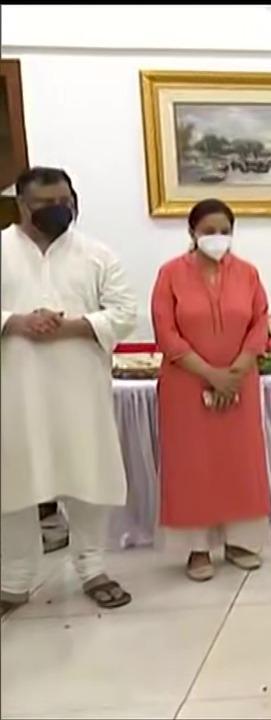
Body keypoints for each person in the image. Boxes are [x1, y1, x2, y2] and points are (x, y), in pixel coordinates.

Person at [0, 167, 137, 614]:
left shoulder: (96, 254)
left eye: (66, 199)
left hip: (81, 391)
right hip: (14, 393)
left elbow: (124, 313)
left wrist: (69, 326)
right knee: (13, 483)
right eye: (46, 203)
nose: (60, 209)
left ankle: (93, 567)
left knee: (87, 475)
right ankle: (15, 580)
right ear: (22, 205)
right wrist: (17, 321)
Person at [152, 199, 271, 582]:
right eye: (208, 231)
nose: (217, 238)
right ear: (192, 233)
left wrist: (234, 373)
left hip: (241, 382)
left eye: (224, 231)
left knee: (239, 459)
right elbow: (166, 332)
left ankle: (239, 541)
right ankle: (197, 548)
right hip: (186, 384)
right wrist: (210, 375)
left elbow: (259, 324)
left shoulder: (249, 274)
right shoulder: (170, 274)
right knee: (193, 464)